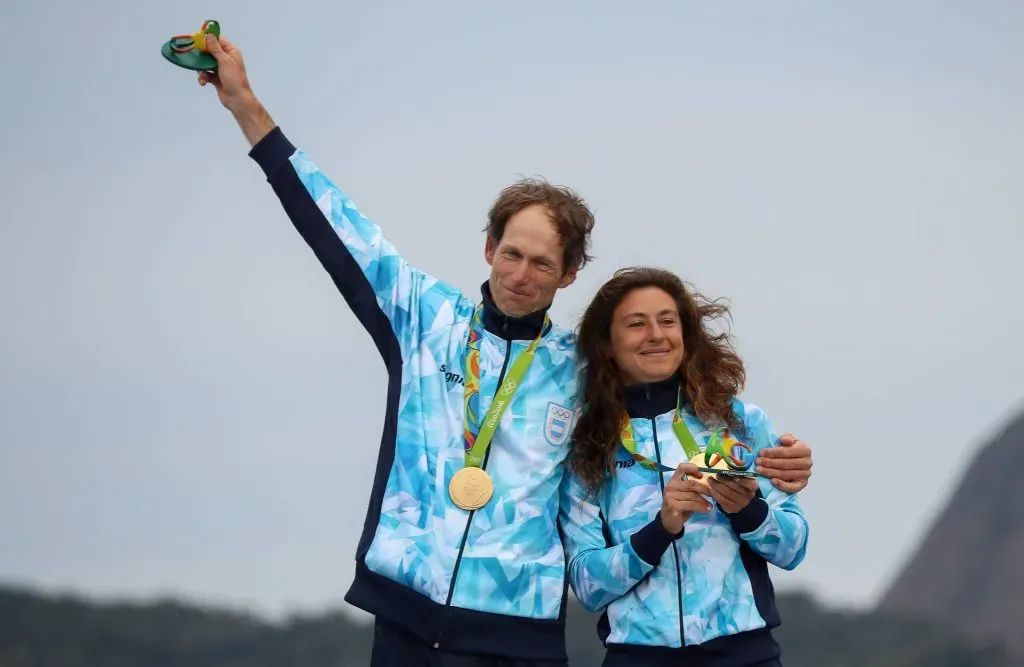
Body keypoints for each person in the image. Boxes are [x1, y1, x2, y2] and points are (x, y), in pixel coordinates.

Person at [195, 34, 816, 667]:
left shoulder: (583, 367)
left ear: (568, 275)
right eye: (511, 253)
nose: (520, 273)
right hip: (407, 612)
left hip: (517, 634)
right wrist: (246, 106)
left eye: (542, 262)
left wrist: (776, 461)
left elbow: (674, 408)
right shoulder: (423, 320)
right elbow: (338, 226)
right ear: (489, 248)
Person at [559, 266, 810, 667]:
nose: (656, 335)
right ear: (607, 343)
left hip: (745, 654)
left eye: (667, 321)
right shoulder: (587, 443)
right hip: (637, 657)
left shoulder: (739, 423)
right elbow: (587, 585)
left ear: (685, 334)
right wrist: (661, 529)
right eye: (636, 324)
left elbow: (794, 547)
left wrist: (748, 509)